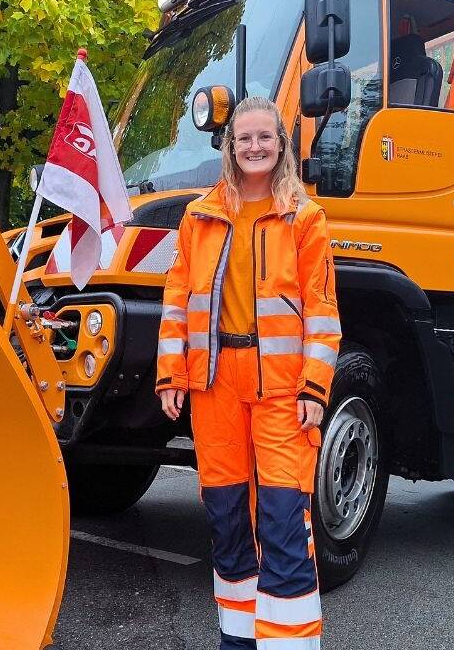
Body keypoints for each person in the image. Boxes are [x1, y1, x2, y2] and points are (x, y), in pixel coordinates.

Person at [155, 95, 341, 650]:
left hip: (283, 390)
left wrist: (315, 386)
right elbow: (176, 300)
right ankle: (237, 640)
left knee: (285, 523)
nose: (254, 147)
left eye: (265, 137)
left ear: (281, 144)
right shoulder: (199, 217)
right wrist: (171, 375)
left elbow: (323, 310)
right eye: (244, 139)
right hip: (215, 388)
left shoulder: (305, 219)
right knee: (227, 520)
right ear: (229, 147)